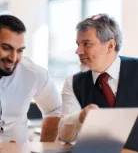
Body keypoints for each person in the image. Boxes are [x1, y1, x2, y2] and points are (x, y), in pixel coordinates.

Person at [0, 15, 62, 143]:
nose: (13, 58)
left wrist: (45, 149)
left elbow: (55, 110)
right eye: (6, 48)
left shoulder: (32, 73)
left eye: (20, 51)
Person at [58, 13, 138, 142]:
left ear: (110, 46)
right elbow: (64, 135)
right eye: (78, 44)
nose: (78, 51)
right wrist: (80, 117)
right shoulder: (73, 83)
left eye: (86, 44)